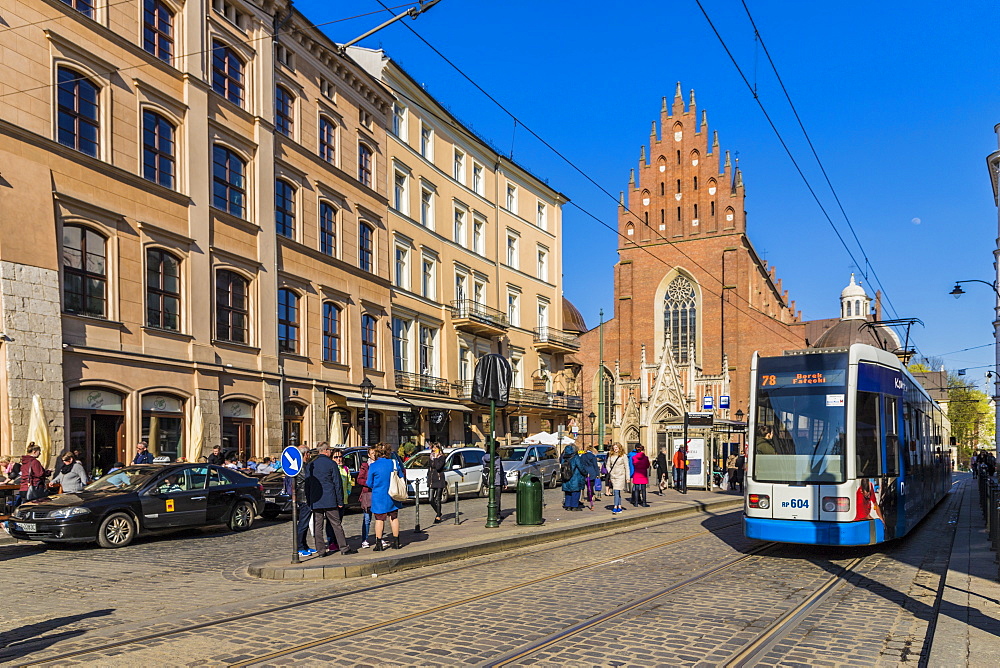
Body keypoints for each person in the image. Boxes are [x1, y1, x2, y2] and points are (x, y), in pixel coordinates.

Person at [304, 442, 355, 557]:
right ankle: (344, 548)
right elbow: (337, 484)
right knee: (336, 524)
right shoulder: (331, 464)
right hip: (330, 499)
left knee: (318, 526)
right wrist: (340, 501)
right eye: (330, 450)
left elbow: (307, 484)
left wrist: (309, 500)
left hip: (316, 500)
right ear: (326, 450)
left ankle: (321, 551)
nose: (331, 452)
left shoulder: (311, 465)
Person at [368, 443, 404, 551]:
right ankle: (396, 542)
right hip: (393, 494)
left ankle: (379, 544)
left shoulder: (374, 465)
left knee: (379, 519)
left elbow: (369, 483)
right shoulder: (394, 463)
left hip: (379, 496)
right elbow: (401, 476)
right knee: (394, 517)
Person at [326, 448, 354, 553]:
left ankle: (337, 541)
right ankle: (331, 542)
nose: (339, 459)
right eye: (336, 457)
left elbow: (349, 482)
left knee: (339, 522)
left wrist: (347, 492)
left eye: (340, 456)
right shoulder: (331, 469)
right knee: (331, 523)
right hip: (333, 500)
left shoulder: (345, 469)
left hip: (343, 500)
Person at [292, 445, 314, 556]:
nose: (310, 455)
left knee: (304, 523)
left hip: (307, 497)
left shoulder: (305, 465)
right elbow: (307, 479)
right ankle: (300, 547)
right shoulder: (300, 466)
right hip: (304, 497)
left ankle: (304, 545)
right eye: (309, 452)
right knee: (303, 524)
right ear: (305, 454)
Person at [356, 446, 377, 547]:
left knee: (379, 517)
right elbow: (359, 479)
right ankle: (365, 539)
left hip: (378, 494)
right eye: (373, 453)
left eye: (376, 453)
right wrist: (369, 483)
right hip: (368, 494)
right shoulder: (365, 466)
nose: (374, 455)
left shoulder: (379, 464)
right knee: (367, 518)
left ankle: (379, 537)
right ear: (369, 455)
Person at [560, 444, 585, 511]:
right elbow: (580, 467)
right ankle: (574, 506)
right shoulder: (576, 457)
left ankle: (568, 505)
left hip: (566, 477)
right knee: (575, 492)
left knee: (568, 492)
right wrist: (585, 473)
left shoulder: (564, 457)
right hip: (575, 477)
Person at [482, 448, 506, 517]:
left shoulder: (484, 457)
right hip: (497, 480)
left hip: (488, 480)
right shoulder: (497, 458)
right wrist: (504, 481)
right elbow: (500, 471)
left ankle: (491, 513)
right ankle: (496, 513)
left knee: (491, 498)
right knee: (497, 498)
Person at [427, 443, 447, 524]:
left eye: (436, 448)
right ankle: (438, 512)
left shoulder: (442, 457)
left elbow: (438, 467)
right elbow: (431, 466)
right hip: (432, 479)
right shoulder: (430, 457)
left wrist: (436, 458)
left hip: (439, 479)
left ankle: (438, 516)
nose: (434, 449)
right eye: (433, 448)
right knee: (430, 499)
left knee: (438, 499)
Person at [607, 443, 629, 514]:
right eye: (614, 447)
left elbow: (627, 467)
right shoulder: (611, 456)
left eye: (616, 447)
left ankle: (615, 507)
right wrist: (610, 471)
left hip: (621, 476)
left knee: (616, 491)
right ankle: (619, 506)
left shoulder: (623, 456)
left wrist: (627, 477)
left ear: (619, 448)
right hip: (613, 476)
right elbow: (607, 465)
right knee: (617, 491)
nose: (615, 449)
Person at [580, 445, 600, 510]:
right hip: (592, 472)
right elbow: (595, 465)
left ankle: (587, 496)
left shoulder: (582, 456)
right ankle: (590, 496)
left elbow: (581, 464)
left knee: (587, 485)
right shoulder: (592, 456)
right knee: (591, 485)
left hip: (584, 472)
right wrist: (597, 474)